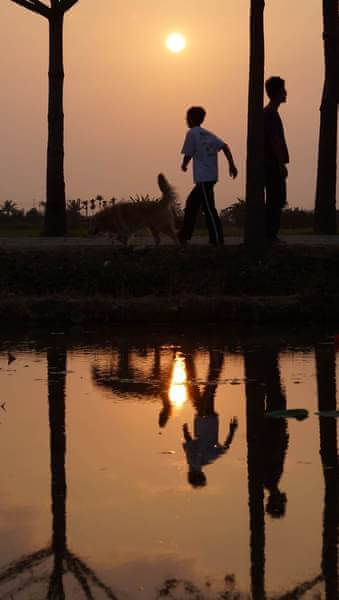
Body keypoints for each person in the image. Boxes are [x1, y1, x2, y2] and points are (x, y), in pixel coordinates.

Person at [179, 106, 238, 246]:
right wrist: (231, 164)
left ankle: (217, 239)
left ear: (191, 119)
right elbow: (225, 146)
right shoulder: (208, 134)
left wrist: (184, 164)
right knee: (192, 204)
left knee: (208, 209)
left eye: (187, 117)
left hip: (204, 178)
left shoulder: (192, 133)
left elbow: (189, 152)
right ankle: (184, 236)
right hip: (210, 177)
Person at [264, 77, 290, 243]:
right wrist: (281, 164)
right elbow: (274, 141)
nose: (286, 93)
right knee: (276, 198)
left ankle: (270, 233)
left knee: (276, 198)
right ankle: (270, 235)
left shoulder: (269, 113)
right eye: (283, 90)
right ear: (278, 93)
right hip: (272, 163)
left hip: (271, 162)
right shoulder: (271, 115)